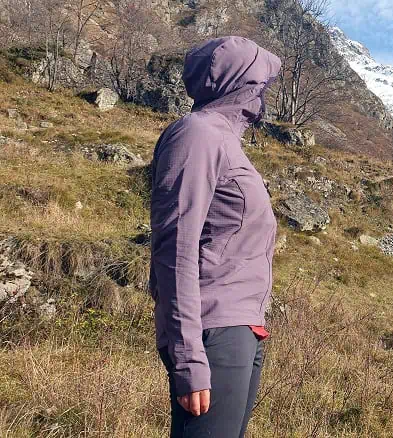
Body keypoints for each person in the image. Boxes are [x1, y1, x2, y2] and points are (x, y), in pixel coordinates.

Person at [149, 36, 281, 438]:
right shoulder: (198, 134)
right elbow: (176, 248)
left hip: (241, 327)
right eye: (259, 83)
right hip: (212, 330)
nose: (264, 93)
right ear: (239, 83)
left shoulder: (227, 141)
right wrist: (189, 357)